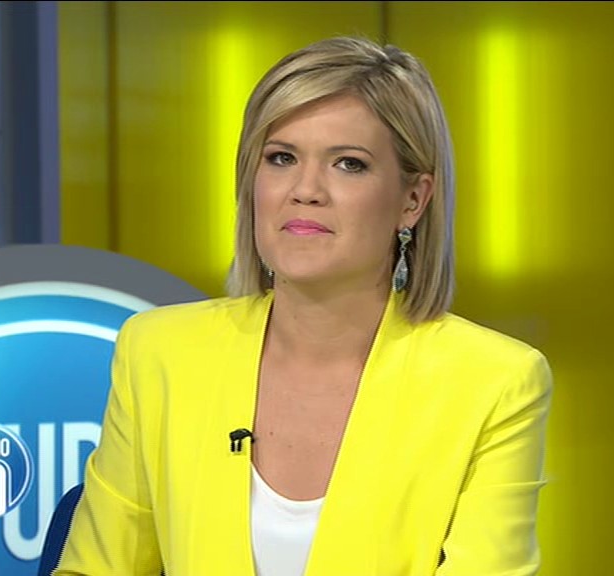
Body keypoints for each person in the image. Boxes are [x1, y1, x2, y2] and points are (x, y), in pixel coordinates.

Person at [55, 36, 553, 576]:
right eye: (282, 158)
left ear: (412, 200)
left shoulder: (493, 383)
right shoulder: (160, 352)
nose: (306, 189)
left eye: (348, 164)